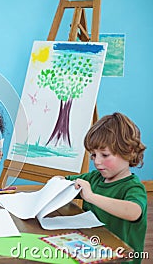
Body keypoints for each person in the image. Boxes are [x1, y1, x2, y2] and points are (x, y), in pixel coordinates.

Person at [63, 112, 147, 263]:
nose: (97, 162)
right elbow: (65, 182)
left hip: (120, 259)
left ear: (129, 152)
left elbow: (134, 212)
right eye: (94, 155)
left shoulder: (132, 187)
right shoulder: (94, 178)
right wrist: (58, 181)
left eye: (105, 155)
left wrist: (91, 197)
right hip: (91, 251)